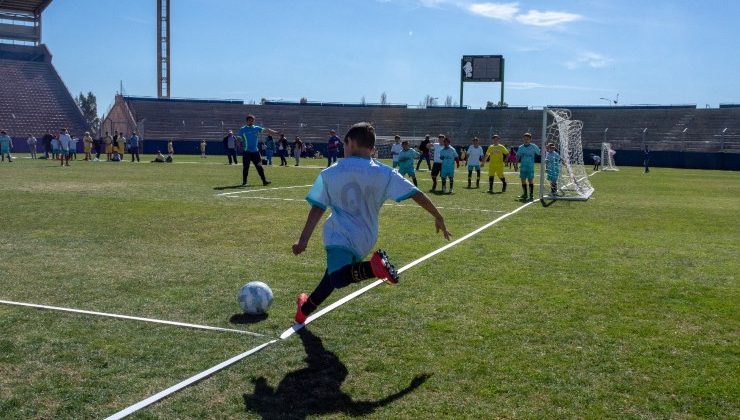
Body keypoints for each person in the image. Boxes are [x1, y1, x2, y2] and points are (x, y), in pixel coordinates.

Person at [292, 122, 451, 324]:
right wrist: (438, 216)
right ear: (371, 147)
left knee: (338, 278)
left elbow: (318, 207)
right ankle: (303, 310)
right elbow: (416, 194)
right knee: (330, 277)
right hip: (366, 237)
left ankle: (373, 268)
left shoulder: (329, 173)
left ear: (349, 142)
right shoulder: (385, 173)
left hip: (339, 235)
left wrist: (303, 240)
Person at [236, 114, 278, 186]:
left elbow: (266, 130)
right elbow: (238, 138)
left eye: (252, 120)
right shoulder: (242, 129)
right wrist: (239, 143)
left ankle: (264, 181)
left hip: (255, 152)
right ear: (247, 121)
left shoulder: (256, 128)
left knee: (259, 166)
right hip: (247, 152)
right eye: (250, 120)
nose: (251, 122)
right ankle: (244, 182)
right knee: (246, 167)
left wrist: (276, 132)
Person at [516, 133, 540, 201]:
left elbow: (539, 153)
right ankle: (525, 194)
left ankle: (531, 195)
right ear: (523, 139)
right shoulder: (521, 147)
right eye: (525, 139)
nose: (526, 140)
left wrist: (544, 148)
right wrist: (516, 164)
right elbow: (518, 156)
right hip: (523, 167)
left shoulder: (534, 146)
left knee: (530, 181)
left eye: (527, 139)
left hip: (530, 167)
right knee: (523, 180)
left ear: (530, 139)